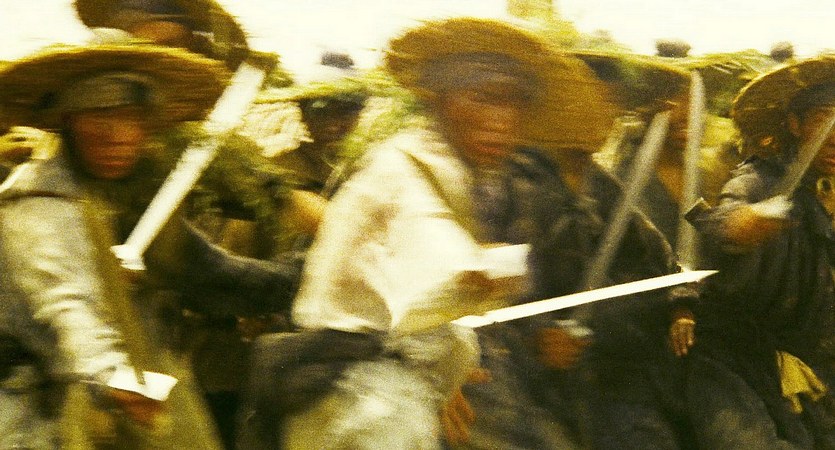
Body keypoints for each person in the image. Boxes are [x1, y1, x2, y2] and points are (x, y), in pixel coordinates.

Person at [237, 17, 573, 449]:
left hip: (385, 393)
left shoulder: (456, 174)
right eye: (484, 98)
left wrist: (445, 371)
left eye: (515, 104)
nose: (501, 120)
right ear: (438, 98)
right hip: (356, 406)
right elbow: (438, 267)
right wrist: (492, 267)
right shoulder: (402, 168)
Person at [0, 42, 297, 449]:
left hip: (138, 385)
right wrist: (111, 376)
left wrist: (306, 274)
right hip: (41, 409)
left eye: (131, 118)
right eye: (100, 117)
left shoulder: (130, 199)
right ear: (68, 123)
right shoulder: (39, 201)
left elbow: (210, 276)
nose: (118, 136)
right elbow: (66, 302)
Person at [686, 56, 835, 449]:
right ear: (795, 125)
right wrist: (745, 224)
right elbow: (725, 219)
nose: (834, 134)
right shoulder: (758, 180)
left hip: (811, 361)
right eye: (823, 118)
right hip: (735, 363)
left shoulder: (829, 189)